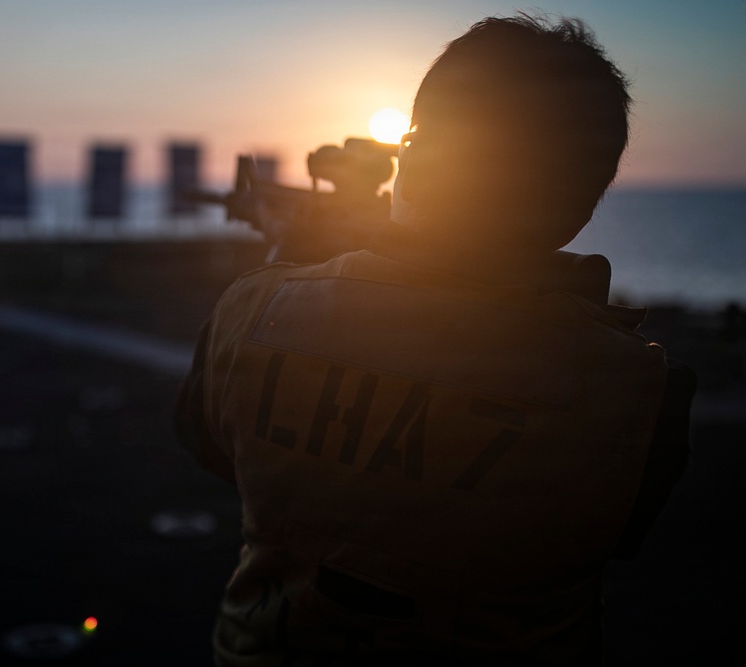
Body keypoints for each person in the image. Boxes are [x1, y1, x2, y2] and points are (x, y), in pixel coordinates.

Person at [175, 14, 695, 666]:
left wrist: (305, 259)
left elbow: (224, 450)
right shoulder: (639, 386)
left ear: (412, 163)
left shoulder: (252, 307)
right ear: (583, 201)